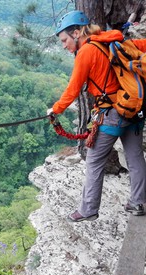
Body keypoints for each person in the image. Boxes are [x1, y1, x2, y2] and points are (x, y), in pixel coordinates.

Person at [47, 10, 146, 222]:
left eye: (65, 40)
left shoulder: (86, 52)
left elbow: (73, 89)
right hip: (132, 107)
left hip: (111, 114)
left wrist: (55, 110)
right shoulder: (109, 39)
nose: (64, 45)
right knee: (135, 157)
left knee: (94, 161)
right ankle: (138, 202)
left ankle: (88, 209)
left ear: (76, 33)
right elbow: (141, 47)